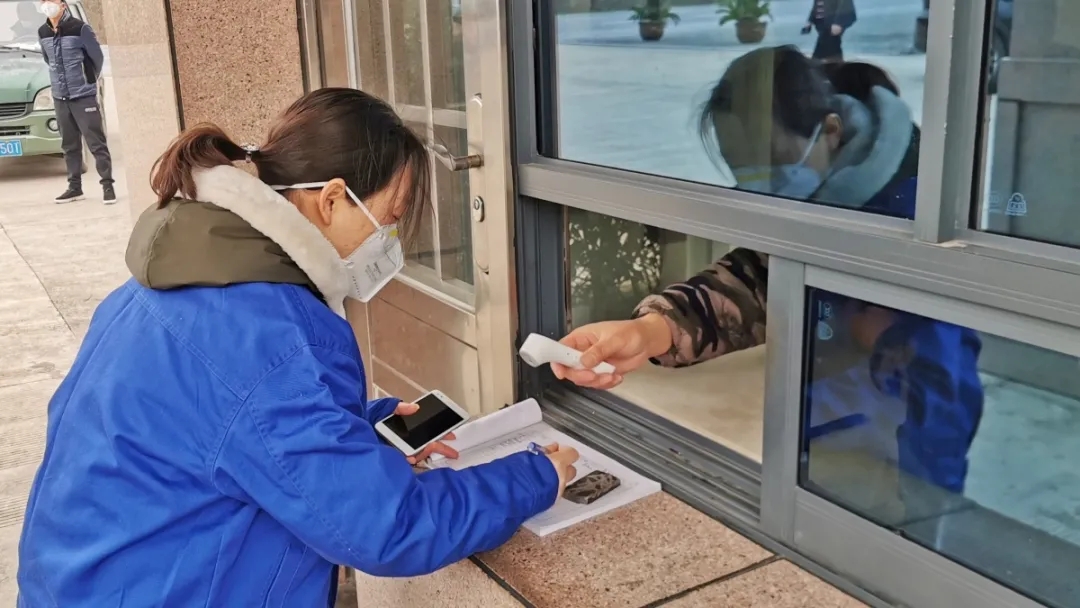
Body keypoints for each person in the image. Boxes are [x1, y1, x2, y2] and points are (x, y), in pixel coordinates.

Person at [17, 88, 580, 607]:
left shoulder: (179, 276)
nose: (388, 241)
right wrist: (533, 478)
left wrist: (355, 431)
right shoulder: (269, 333)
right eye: (388, 220)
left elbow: (221, 426)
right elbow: (386, 528)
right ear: (333, 200)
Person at [556, 46, 982, 515]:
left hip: (896, 457)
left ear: (831, 132)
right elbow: (755, 278)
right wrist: (649, 330)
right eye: (744, 171)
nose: (761, 183)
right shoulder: (812, 192)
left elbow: (943, 381)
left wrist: (928, 507)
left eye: (773, 161)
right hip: (821, 435)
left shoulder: (914, 210)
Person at [36, 0, 115, 204]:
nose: (47, 5)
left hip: (83, 96)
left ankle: (107, 186)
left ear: (63, 5)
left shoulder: (80, 28)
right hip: (60, 97)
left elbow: (96, 58)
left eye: (52, 1)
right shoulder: (43, 32)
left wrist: (87, 80)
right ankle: (74, 188)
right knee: (69, 145)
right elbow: (48, 60)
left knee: (96, 143)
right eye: (44, 1)